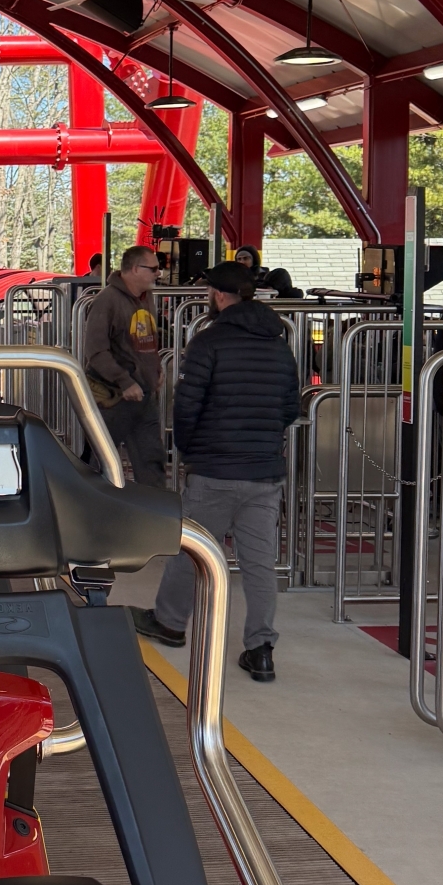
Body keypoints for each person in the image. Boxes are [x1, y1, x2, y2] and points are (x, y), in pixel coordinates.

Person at [132, 262, 301, 683]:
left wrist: (190, 451)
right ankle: (261, 649)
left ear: (219, 296)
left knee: (193, 549)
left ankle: (170, 622)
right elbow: (289, 407)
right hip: (264, 470)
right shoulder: (279, 345)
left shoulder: (208, 342)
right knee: (259, 562)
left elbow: (187, 406)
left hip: (215, 467)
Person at [82, 244, 165, 486]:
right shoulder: (106, 300)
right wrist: (124, 381)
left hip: (143, 395)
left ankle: (154, 508)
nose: (159, 273)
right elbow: (96, 351)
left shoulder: (146, 297)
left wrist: (156, 369)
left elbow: (146, 341)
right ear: (136, 269)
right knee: (99, 463)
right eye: (153, 269)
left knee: (152, 461)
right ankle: (88, 506)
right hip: (113, 398)